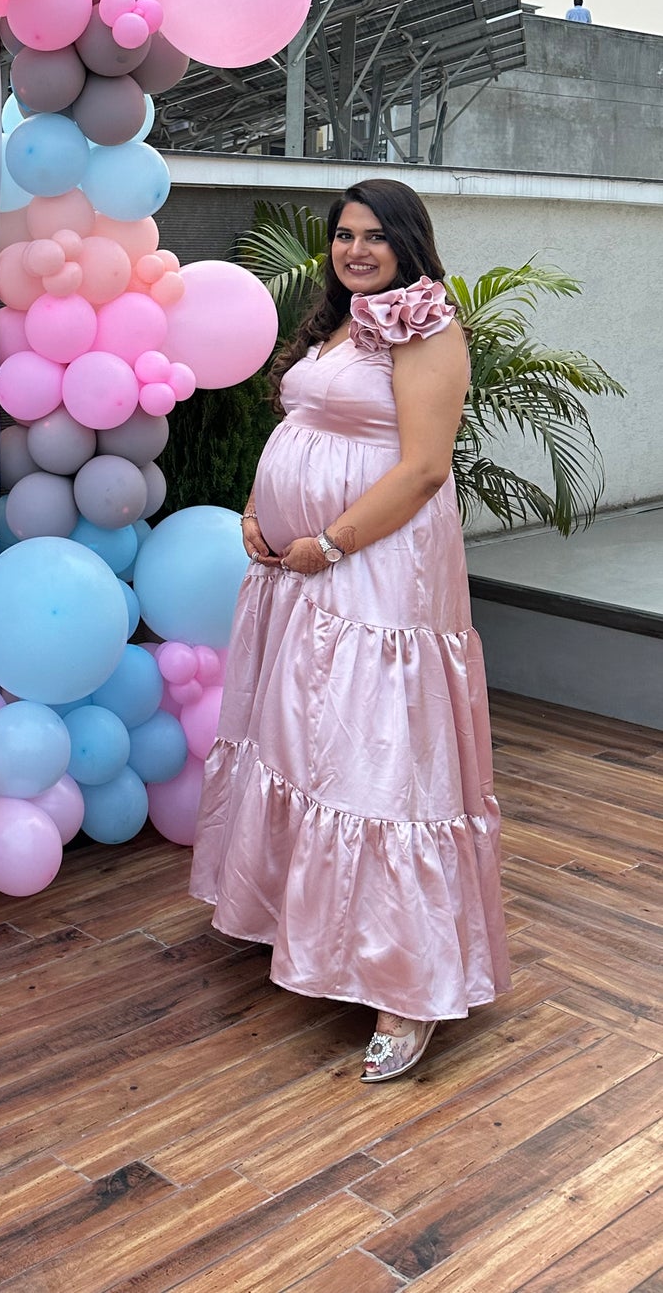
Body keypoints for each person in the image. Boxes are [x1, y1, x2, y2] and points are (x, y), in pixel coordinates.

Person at [190, 178, 510, 1081]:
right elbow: (299, 421)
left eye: (375, 235)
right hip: (298, 573)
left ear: (410, 241)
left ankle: (407, 989)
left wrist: (328, 541)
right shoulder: (340, 319)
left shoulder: (428, 325)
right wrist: (257, 506)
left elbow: (420, 469)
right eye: (342, 234)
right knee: (302, 745)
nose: (355, 249)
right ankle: (310, 927)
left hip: (377, 574)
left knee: (381, 759)